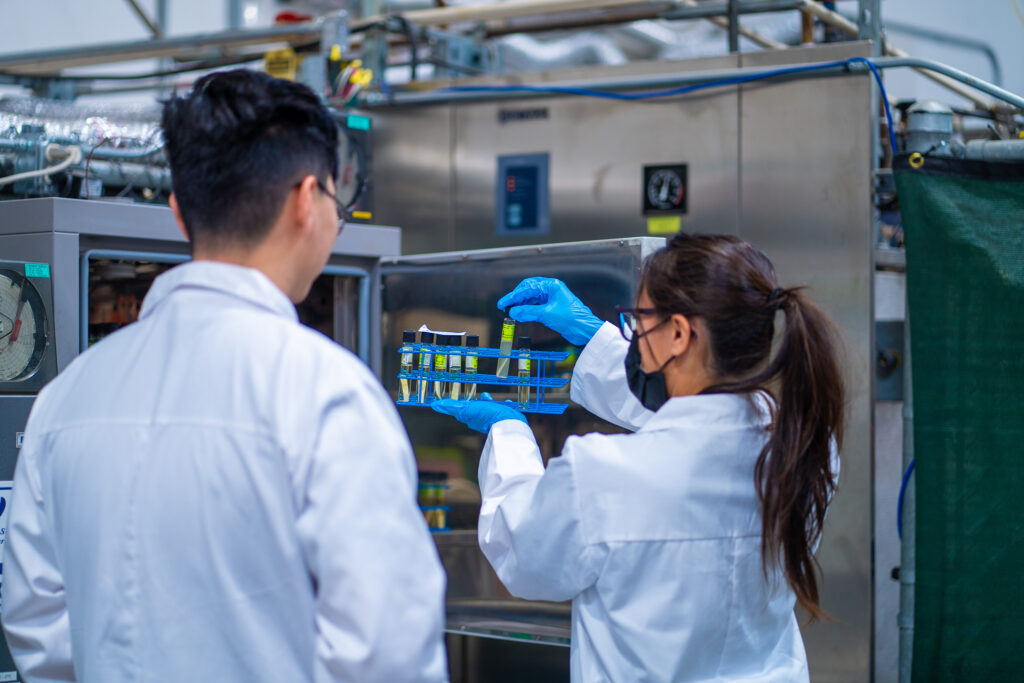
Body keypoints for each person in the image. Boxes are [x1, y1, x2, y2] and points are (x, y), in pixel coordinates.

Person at [1, 70, 447, 682]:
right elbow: (387, 652)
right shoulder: (326, 393)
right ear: (307, 200)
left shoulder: (62, 403)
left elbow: (37, 627)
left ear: (179, 212)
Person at [433, 232, 845, 682]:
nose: (635, 337)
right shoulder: (807, 448)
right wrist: (593, 338)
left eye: (640, 320)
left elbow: (522, 555)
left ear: (680, 334)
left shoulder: (602, 475)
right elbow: (696, 424)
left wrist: (507, 431)